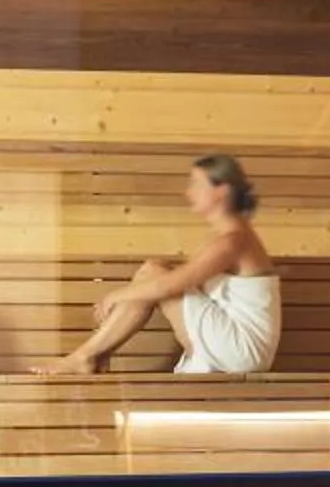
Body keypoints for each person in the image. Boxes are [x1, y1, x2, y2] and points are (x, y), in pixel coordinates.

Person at [39, 153, 281, 375]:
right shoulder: (231, 237)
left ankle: (87, 356)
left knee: (154, 272)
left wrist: (116, 295)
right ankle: (91, 357)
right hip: (235, 346)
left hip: (241, 350)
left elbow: (167, 286)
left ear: (222, 191)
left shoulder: (233, 241)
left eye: (196, 184)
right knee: (154, 270)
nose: (189, 193)